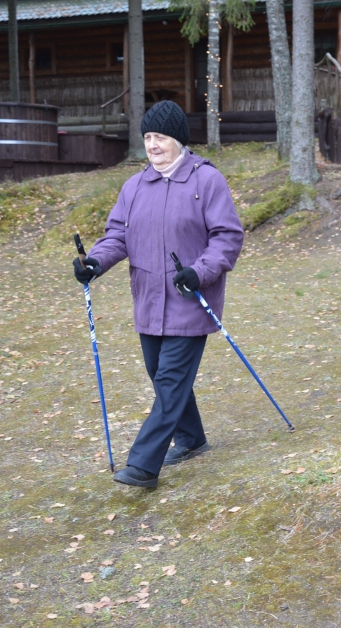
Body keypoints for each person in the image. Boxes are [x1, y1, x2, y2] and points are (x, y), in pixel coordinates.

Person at [73, 100, 244, 489]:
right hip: (149, 299)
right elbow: (117, 235)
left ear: (178, 140)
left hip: (189, 298)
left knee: (169, 380)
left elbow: (227, 236)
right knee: (160, 374)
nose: (152, 144)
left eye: (160, 137)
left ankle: (143, 465)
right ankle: (192, 438)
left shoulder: (206, 181)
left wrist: (199, 272)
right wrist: (95, 263)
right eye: (148, 137)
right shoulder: (134, 186)